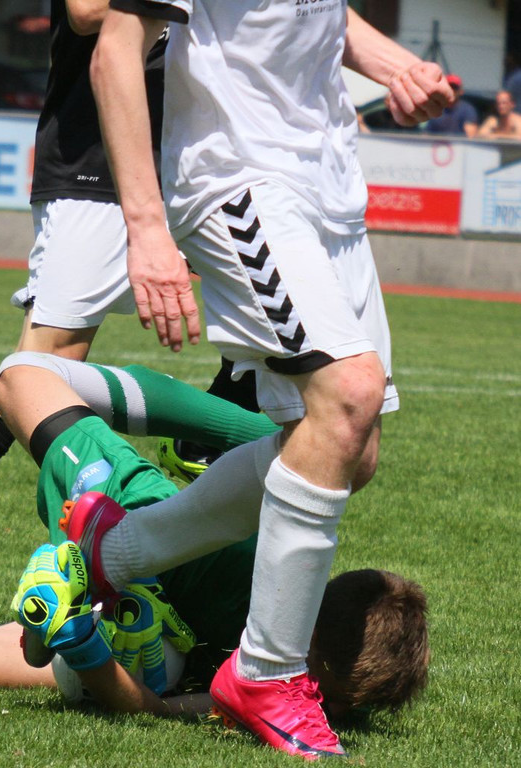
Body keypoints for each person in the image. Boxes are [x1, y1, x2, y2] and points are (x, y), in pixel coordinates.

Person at [78, 2, 451, 758]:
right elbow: (115, 44)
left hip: (330, 187)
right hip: (236, 177)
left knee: (349, 451)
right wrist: (145, 227)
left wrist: (398, 69)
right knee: (347, 394)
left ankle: (115, 551)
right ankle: (266, 672)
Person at [0, 0, 256, 631]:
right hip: (95, 168)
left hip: (193, 167)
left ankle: (199, 444)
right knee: (40, 369)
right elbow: (85, 11)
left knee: (280, 315)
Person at [0, 351, 429, 726]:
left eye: (333, 706)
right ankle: (228, 438)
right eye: (322, 689)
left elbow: (159, 708)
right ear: (308, 628)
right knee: (23, 374)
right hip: (127, 513)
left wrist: (88, 651)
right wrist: (245, 433)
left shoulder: (308, 688)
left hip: (129, 639)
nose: (318, 705)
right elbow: (17, 380)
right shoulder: (230, 557)